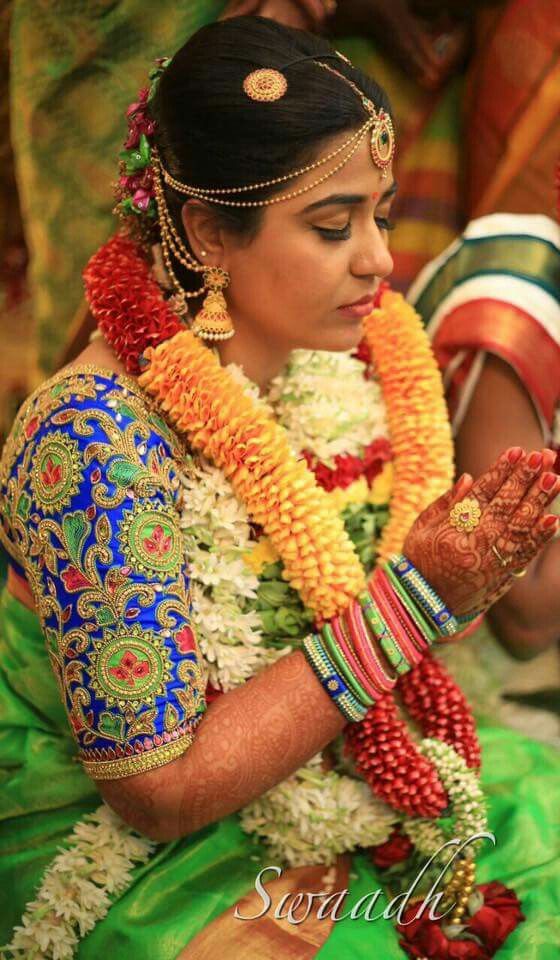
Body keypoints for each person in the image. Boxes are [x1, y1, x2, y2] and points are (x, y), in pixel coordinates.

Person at [1, 16, 559, 960]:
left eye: (379, 215)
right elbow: (159, 792)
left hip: (332, 774)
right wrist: (413, 599)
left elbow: (365, 606)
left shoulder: (329, 364)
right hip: (147, 859)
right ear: (208, 231)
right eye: (334, 225)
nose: (381, 260)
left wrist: (464, 572)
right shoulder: (92, 444)